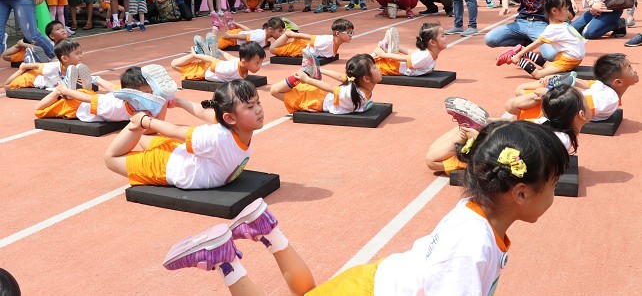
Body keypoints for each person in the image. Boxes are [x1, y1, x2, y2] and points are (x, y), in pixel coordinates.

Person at [162, 119, 569, 295]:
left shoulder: (475, 215)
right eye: (551, 184)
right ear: (519, 193)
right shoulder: (471, 246)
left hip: (370, 283)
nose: (553, 194)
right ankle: (225, 259)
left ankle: (268, 228)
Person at [104, 79, 264, 189]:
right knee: (111, 159)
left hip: (180, 158)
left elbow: (204, 112)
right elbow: (175, 131)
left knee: (145, 136)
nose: (258, 110)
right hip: (169, 167)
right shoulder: (217, 136)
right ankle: (142, 111)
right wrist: (143, 121)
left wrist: (179, 102)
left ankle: (154, 103)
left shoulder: (230, 126)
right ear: (229, 117)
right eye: (250, 107)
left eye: (258, 103)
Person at [427, 86, 588, 175]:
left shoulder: (551, 127)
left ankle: (470, 129)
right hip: (506, 146)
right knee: (434, 157)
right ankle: (472, 128)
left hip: (503, 150)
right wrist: (487, 125)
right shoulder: (559, 136)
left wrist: (477, 137)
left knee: (432, 161)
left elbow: (521, 157)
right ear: (581, 114)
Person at [508, 53, 638, 122]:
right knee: (520, 90)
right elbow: (584, 84)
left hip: (559, 105)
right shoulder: (605, 89)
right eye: (630, 68)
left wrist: (548, 93)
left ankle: (549, 88)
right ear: (617, 82)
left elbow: (575, 104)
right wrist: (568, 79)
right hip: (564, 99)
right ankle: (552, 85)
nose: (635, 70)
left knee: (511, 105)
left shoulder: (608, 99)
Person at [497, 0, 585, 79]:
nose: (567, 12)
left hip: (570, 59)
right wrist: (518, 56)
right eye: (566, 9)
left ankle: (523, 51)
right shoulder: (554, 29)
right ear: (554, 11)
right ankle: (513, 57)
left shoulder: (561, 24)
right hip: (568, 60)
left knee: (547, 65)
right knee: (538, 74)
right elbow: (536, 44)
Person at [34, 66, 161, 122]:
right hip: (77, 107)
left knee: (87, 92)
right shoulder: (112, 106)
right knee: (39, 111)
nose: (150, 95)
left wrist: (97, 79)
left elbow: (112, 87)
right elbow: (87, 98)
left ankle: (88, 81)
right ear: (129, 93)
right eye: (146, 93)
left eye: (151, 92)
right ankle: (60, 90)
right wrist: (64, 91)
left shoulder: (135, 98)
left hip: (90, 97)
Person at [270, 53, 379, 114]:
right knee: (278, 90)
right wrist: (320, 70)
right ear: (366, 79)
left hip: (316, 101)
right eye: (375, 68)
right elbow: (342, 77)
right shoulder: (359, 87)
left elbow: (331, 88)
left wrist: (307, 79)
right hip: (321, 96)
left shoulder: (354, 94)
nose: (378, 68)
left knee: (274, 90)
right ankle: (307, 73)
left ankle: (304, 73)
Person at [4, 38, 83, 90]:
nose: (81, 56)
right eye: (77, 53)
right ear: (65, 58)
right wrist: (23, 67)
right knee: (7, 86)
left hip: (52, 80)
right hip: (34, 78)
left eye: (81, 53)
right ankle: (28, 58)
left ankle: (31, 56)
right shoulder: (54, 66)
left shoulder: (77, 67)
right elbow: (38, 66)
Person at [372, 23, 447, 76]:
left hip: (396, 65)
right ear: (432, 42)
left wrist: (398, 48)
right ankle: (378, 53)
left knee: (375, 61)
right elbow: (404, 58)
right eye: (442, 36)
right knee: (371, 67)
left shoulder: (426, 53)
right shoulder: (426, 56)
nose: (446, 38)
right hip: (393, 67)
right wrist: (383, 54)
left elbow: (411, 52)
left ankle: (384, 49)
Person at [171, 42, 265, 82]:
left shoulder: (240, 62)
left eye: (260, 62)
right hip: (203, 71)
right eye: (257, 63)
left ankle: (203, 53)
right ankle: (196, 53)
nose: (259, 66)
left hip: (210, 66)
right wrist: (195, 55)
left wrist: (219, 51)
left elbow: (230, 57)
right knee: (174, 65)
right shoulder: (229, 69)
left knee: (177, 66)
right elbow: (213, 60)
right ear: (244, 62)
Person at [269, 18, 353, 58]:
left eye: (352, 32)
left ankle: (289, 34)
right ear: (338, 34)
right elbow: (309, 37)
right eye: (349, 33)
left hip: (303, 45)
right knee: (272, 49)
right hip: (299, 47)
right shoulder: (327, 41)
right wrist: (292, 34)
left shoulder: (335, 43)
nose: (351, 35)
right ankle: (287, 33)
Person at [2, 20, 68, 64]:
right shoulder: (49, 44)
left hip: (44, 60)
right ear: (52, 36)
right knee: (4, 55)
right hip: (35, 55)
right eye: (58, 29)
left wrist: (22, 44)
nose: (62, 30)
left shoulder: (69, 43)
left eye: (62, 28)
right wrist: (21, 44)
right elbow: (5, 56)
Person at [214, 16, 285, 53]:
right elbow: (245, 36)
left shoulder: (262, 34)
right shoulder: (261, 36)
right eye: (279, 31)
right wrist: (230, 36)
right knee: (213, 46)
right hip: (233, 38)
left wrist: (238, 24)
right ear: (270, 29)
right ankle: (216, 26)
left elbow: (249, 31)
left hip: (239, 34)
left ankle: (233, 25)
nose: (281, 34)